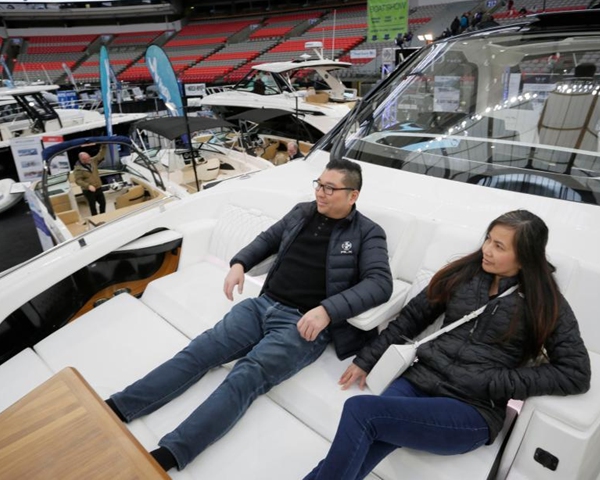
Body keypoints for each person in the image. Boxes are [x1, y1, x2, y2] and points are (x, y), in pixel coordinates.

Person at [106, 158, 393, 472]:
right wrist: (239, 264)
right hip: (262, 305)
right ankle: (119, 407)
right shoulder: (302, 211)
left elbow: (380, 284)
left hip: (302, 323)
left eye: (330, 188)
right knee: (200, 350)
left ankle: (171, 453)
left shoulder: (369, 233)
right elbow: (268, 239)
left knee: (246, 375)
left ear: (353, 196)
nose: (320, 193)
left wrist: (327, 310)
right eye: (318, 185)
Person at [304, 210, 591, 480]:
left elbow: (575, 372)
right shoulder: (464, 274)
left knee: (361, 412)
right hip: (418, 381)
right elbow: (412, 318)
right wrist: (367, 359)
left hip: (472, 408)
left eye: (499, 246)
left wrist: (496, 381)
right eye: (488, 239)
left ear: (525, 257)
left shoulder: (545, 302)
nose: (487, 250)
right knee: (367, 434)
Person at [73, 144, 107, 216]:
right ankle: (95, 218)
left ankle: (103, 215)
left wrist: (103, 146)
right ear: (82, 160)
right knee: (93, 206)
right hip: (88, 191)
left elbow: (100, 155)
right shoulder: (78, 169)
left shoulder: (92, 161)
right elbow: (78, 180)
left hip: (98, 187)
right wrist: (88, 186)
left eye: (89, 157)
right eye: (87, 159)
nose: (89, 159)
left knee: (103, 203)